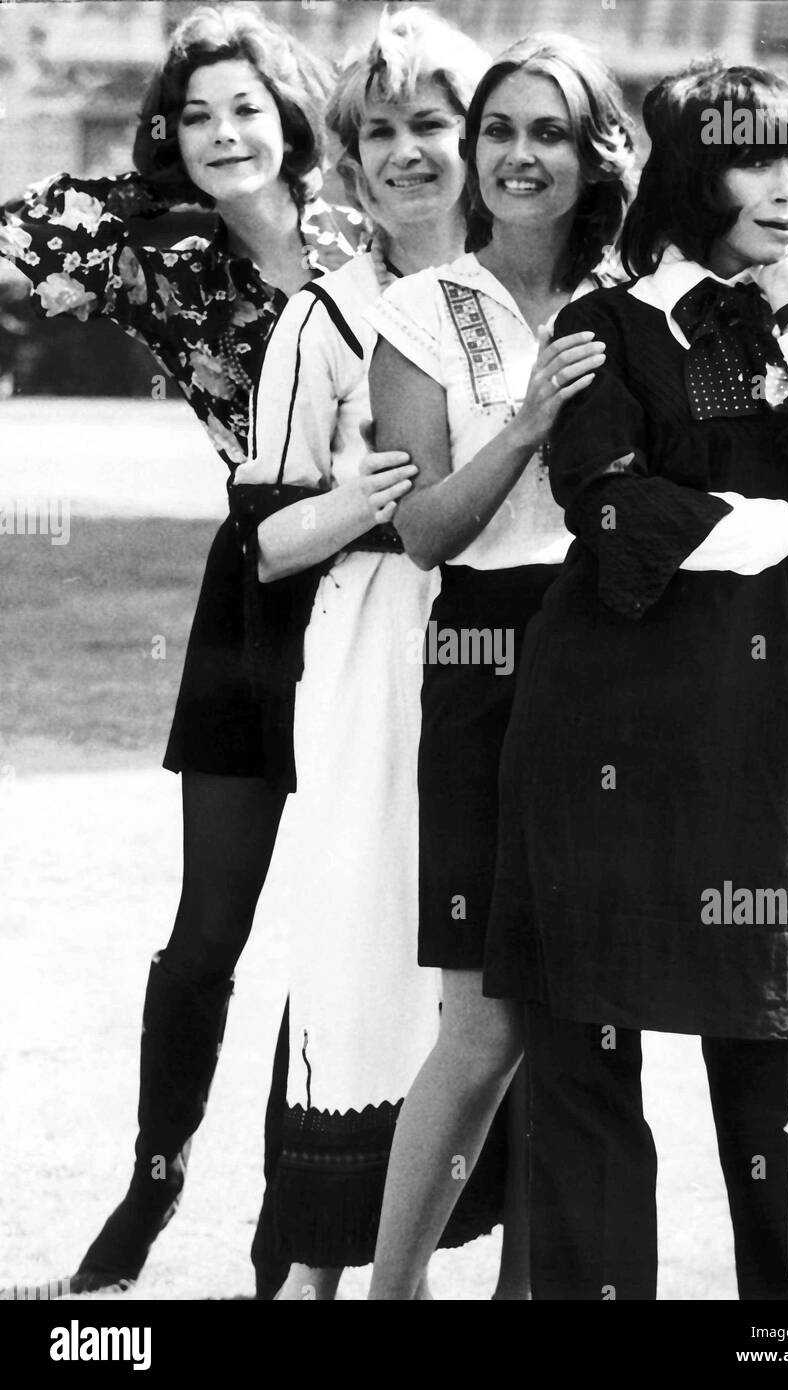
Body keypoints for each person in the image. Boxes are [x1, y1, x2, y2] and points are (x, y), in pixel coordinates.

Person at [481, 60, 788, 1300]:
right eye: (755, 160)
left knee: (770, 1051)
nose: (786, 188)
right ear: (688, 170)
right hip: (603, 726)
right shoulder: (603, 326)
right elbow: (615, 512)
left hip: (766, 725)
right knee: (587, 1058)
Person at [0, 4, 362, 1298]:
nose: (222, 133)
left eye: (245, 108)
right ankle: (146, 1199)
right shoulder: (157, 251)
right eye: (194, 114)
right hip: (255, 589)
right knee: (208, 924)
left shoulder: (369, 229)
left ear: (294, 115)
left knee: (349, 930)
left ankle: (297, 1232)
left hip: (389, 591)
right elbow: (15, 243)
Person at [230, 6, 509, 1303]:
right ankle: (309, 1277)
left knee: (500, 966)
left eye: (432, 123)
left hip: (516, 654)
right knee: (360, 951)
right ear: (345, 158)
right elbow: (261, 545)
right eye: (379, 129)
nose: (407, 151)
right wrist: (362, 497)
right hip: (374, 655)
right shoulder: (323, 322)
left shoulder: (524, 298)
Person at [362, 35, 635, 1300]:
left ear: (593, 157)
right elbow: (420, 530)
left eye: (550, 134)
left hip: (624, 659)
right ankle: (393, 1290)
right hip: (482, 657)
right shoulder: (419, 312)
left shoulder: (637, 297)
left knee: (589, 1022)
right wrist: (529, 422)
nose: (521, 157)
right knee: (480, 1028)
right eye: (501, 131)